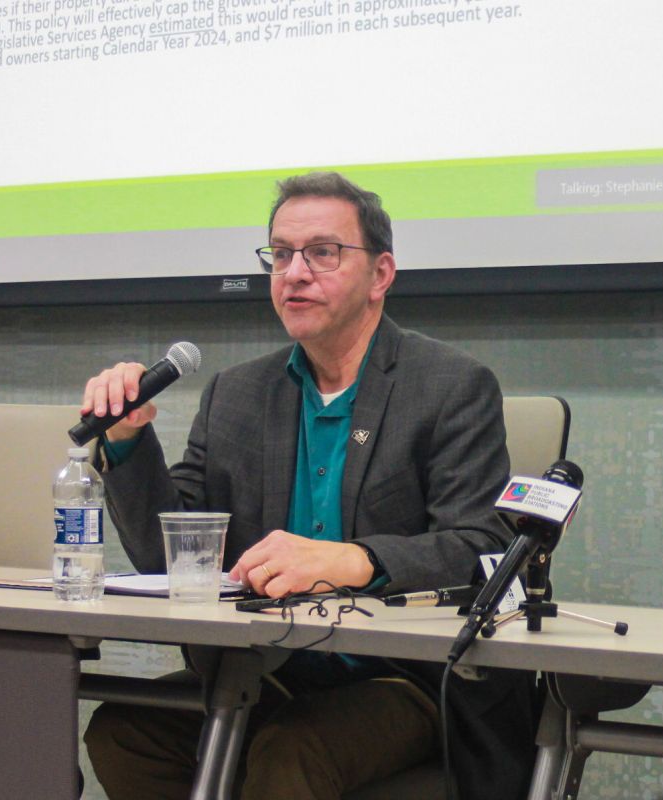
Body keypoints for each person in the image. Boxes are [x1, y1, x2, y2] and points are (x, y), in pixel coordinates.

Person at [80, 172, 535, 799]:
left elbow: (483, 546)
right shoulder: (236, 394)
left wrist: (354, 560)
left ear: (380, 275)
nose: (294, 272)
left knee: (292, 748)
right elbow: (169, 556)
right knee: (125, 730)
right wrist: (129, 441)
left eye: (322, 253)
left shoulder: (450, 387)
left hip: (401, 681)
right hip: (263, 670)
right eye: (281, 254)